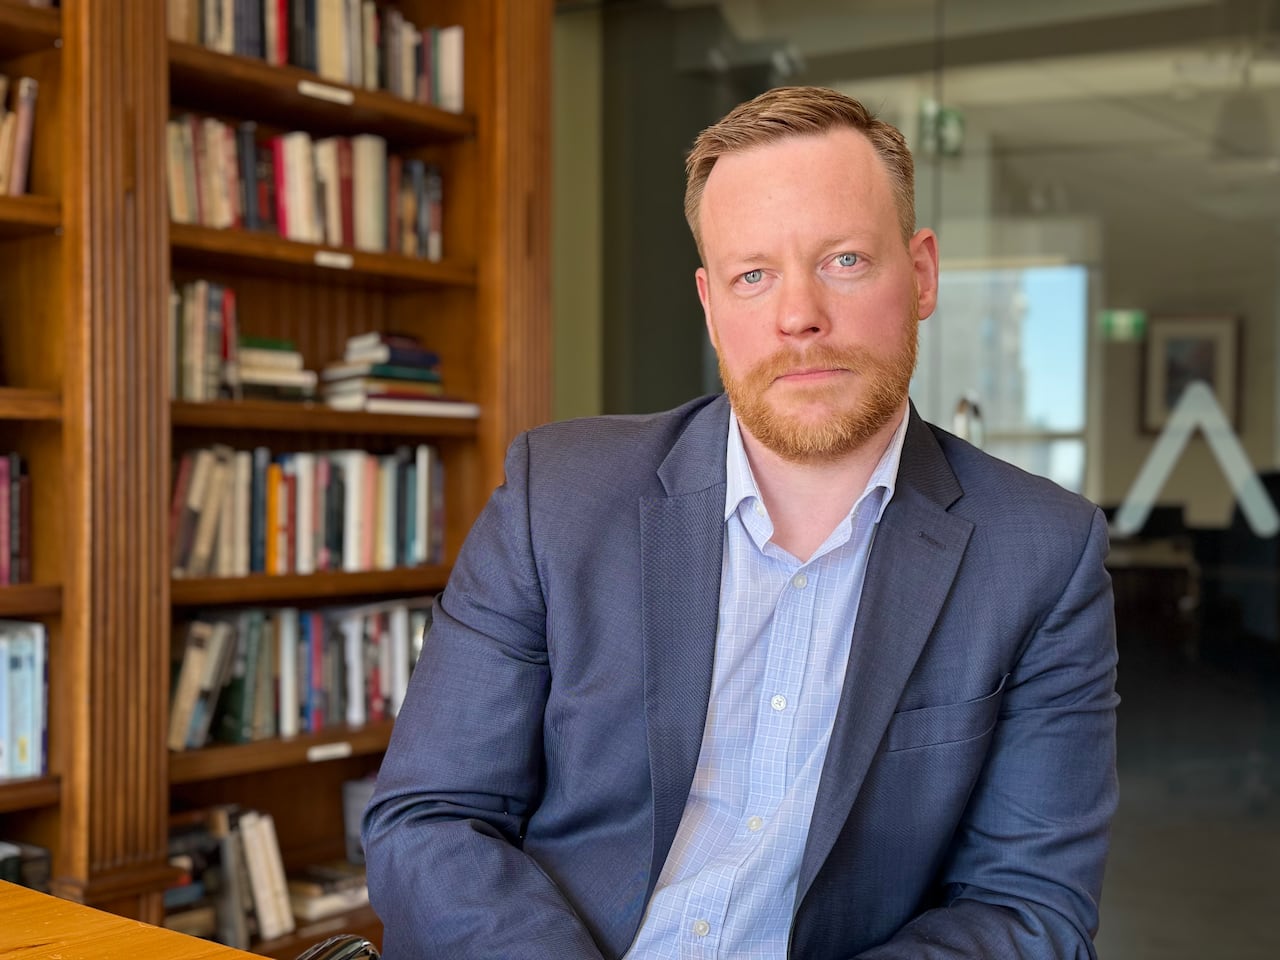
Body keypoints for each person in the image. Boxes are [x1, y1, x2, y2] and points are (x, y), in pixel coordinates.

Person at [362, 85, 1118, 959]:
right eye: (753, 274)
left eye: (843, 260)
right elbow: (430, 817)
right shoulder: (556, 498)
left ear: (921, 275)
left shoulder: (1042, 553)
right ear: (710, 303)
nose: (798, 315)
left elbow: (1029, 908)